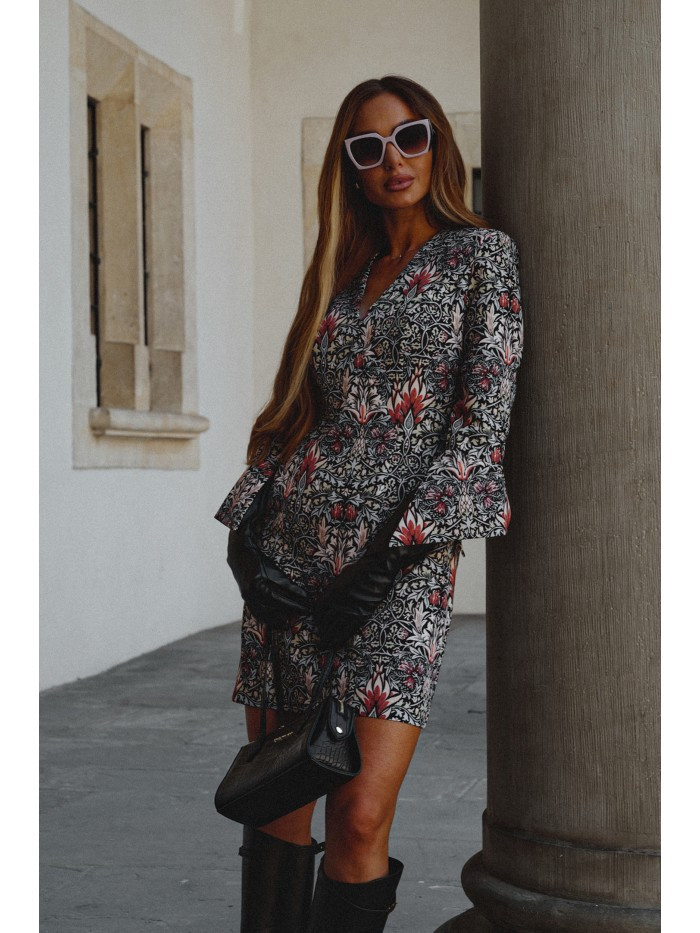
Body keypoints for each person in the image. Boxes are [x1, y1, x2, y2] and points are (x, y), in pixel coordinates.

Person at [215, 74, 524, 933]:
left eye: (409, 136)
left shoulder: (481, 257)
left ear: (437, 142)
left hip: (399, 570)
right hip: (289, 562)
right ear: (349, 167)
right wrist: (244, 541)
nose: (394, 159)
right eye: (369, 147)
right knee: (279, 797)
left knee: (360, 813)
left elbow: (480, 428)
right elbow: (290, 416)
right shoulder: (339, 274)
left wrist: (390, 561)